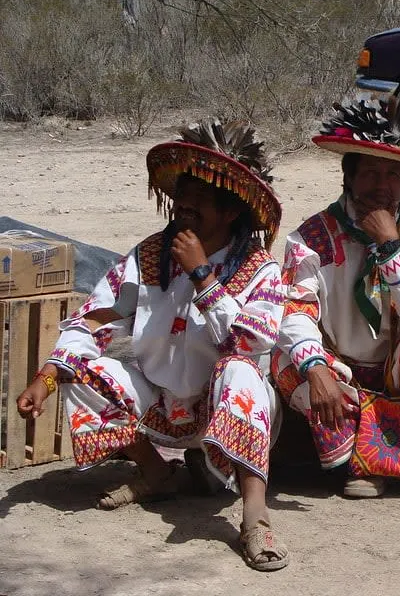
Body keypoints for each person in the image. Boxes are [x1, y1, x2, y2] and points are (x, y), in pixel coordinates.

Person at [16, 119, 290, 570]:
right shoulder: (148, 256)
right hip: (161, 406)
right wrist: (45, 379)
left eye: (201, 194)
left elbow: (249, 341)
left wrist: (202, 274)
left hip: (225, 407)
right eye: (182, 189)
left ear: (232, 210)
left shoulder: (259, 269)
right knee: (84, 371)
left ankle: (254, 513)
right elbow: (95, 319)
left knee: (239, 369)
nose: (184, 202)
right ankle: (157, 471)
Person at [271, 96, 400, 498]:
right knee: (288, 358)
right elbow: (294, 312)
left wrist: (392, 248)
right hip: (339, 366)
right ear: (348, 177)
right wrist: (317, 367)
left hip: (398, 371)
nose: (381, 185)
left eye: (393, 174)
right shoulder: (312, 236)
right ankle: (360, 461)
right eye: (371, 172)